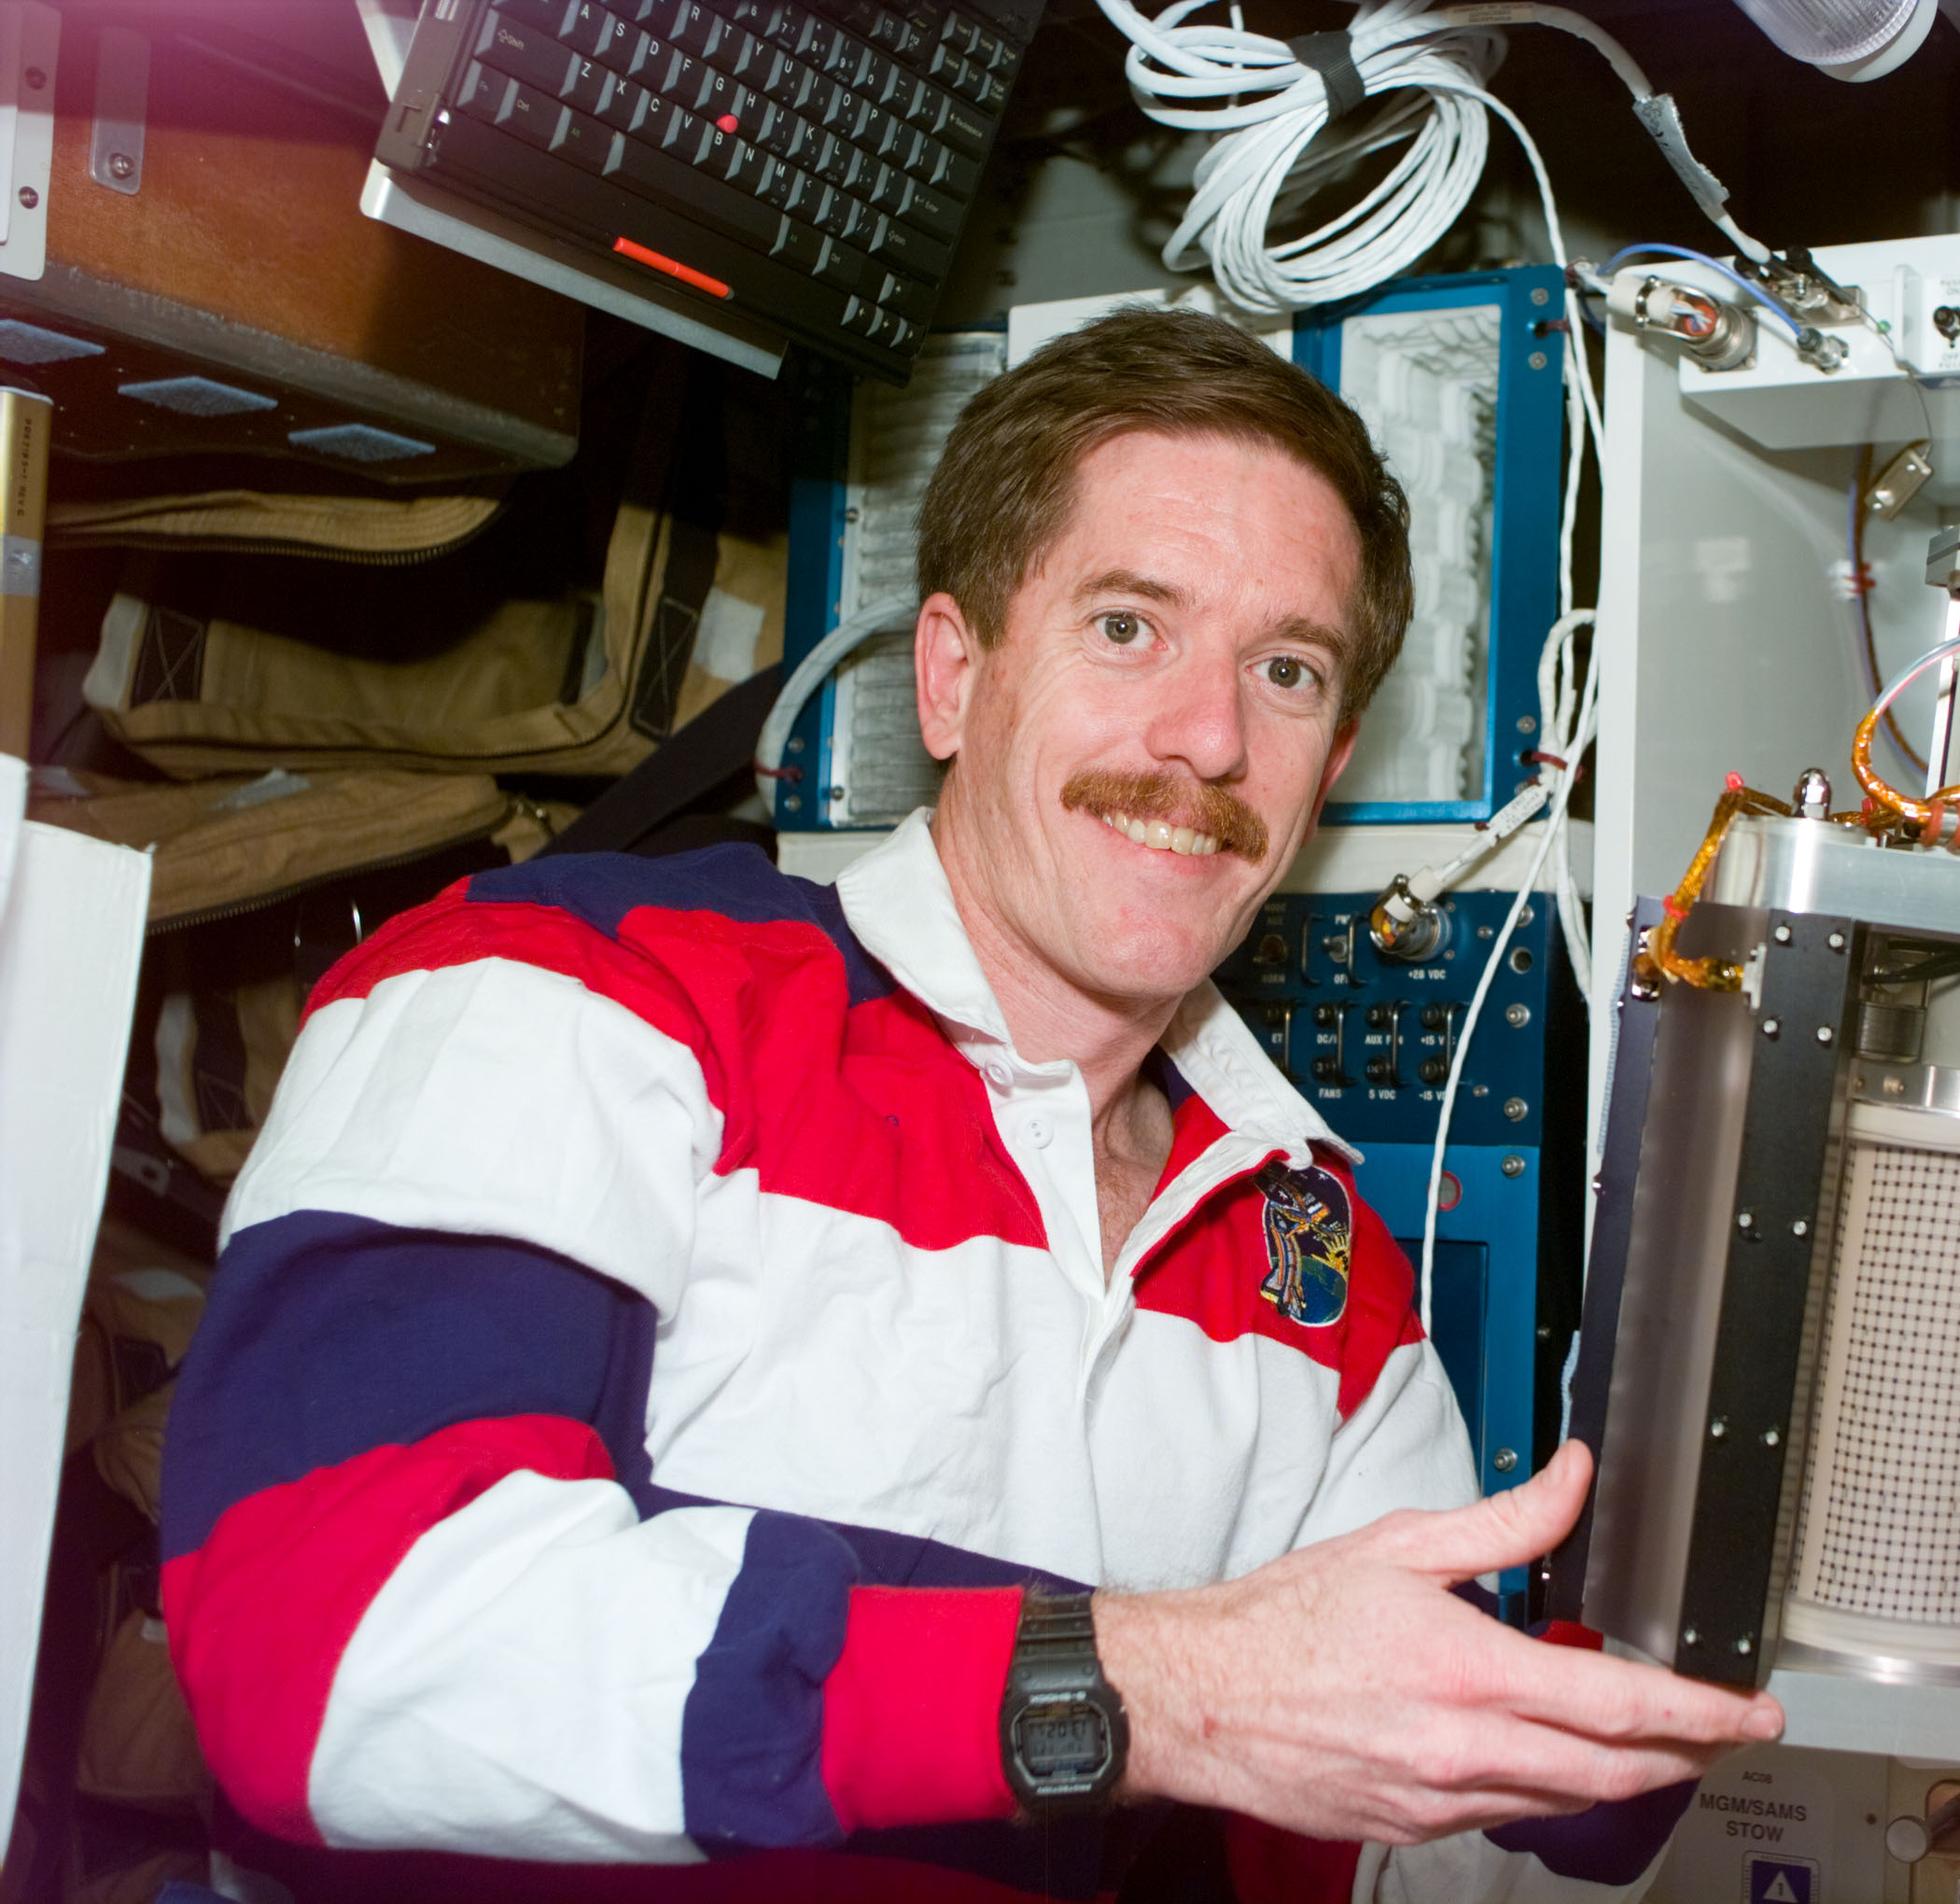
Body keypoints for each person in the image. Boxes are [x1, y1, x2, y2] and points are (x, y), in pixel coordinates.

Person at [158, 306, 1782, 1902]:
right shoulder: (577, 992)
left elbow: (1393, 1818)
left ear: (1331, 757)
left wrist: (1613, 1767)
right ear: (953, 675)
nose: (1206, 738)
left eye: (1282, 671)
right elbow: (339, 1642)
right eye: (1128, 627)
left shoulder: (1322, 1266)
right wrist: (1155, 1690)